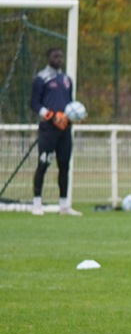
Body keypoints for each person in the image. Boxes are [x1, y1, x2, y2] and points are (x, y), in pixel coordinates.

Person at [28, 46, 81, 216]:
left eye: (61, 56)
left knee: (64, 165)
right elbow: (34, 104)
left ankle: (64, 205)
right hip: (48, 129)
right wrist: (51, 116)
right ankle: (37, 203)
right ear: (48, 57)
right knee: (43, 163)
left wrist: (74, 117)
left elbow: (69, 103)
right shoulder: (40, 79)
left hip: (64, 130)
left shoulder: (66, 79)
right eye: (56, 56)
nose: (59, 59)